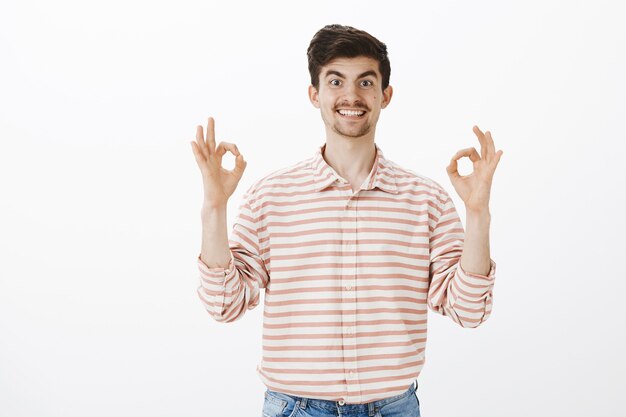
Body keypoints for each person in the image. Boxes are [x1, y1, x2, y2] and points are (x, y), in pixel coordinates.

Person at [190, 24, 503, 417]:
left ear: (385, 95)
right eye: (336, 81)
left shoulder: (427, 200)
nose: (351, 96)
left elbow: (469, 310)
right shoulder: (270, 197)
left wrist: (477, 215)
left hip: (394, 408)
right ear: (314, 94)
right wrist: (214, 208)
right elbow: (224, 305)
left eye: (366, 82)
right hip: (296, 409)